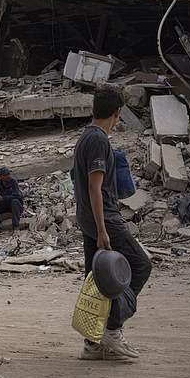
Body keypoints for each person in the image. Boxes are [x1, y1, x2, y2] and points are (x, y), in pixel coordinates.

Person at [72, 87, 152, 360]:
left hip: (89, 219)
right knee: (139, 266)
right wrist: (103, 230)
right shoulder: (98, 140)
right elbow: (95, 188)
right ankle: (112, 329)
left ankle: (93, 343)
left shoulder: (85, 137)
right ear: (117, 114)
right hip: (104, 219)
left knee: (98, 280)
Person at [0, 166, 24, 231]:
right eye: (6, 175)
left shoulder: (13, 181)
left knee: (15, 201)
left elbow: (18, 196)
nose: (8, 176)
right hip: (3, 206)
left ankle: (15, 226)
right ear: (0, 177)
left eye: (9, 174)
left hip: (14, 206)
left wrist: (3, 198)